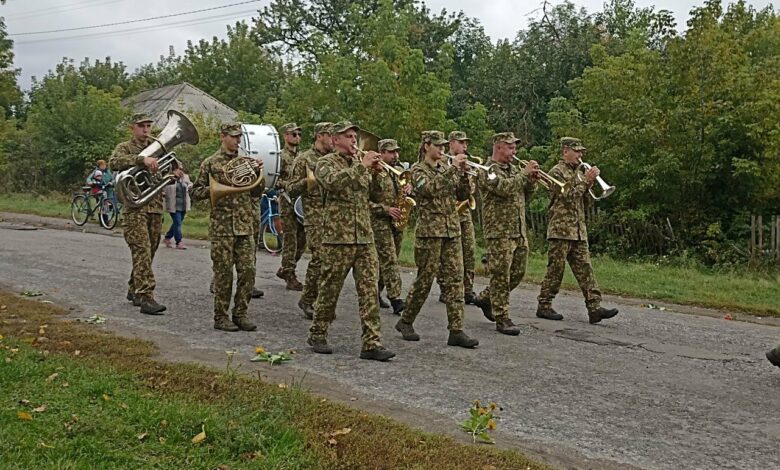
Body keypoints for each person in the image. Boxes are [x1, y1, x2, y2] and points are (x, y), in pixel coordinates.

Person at [307, 121, 395, 361]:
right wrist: (361, 168)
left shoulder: (361, 165)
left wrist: (377, 174)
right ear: (335, 140)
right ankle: (318, 332)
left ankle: (372, 343)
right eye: (348, 136)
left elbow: (375, 197)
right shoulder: (324, 163)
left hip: (364, 237)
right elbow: (333, 184)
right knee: (330, 289)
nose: (354, 140)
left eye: (355, 135)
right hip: (338, 238)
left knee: (369, 291)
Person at [395, 131, 479, 349]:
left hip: (451, 230)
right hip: (430, 233)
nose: (442, 150)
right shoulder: (417, 170)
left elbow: (462, 195)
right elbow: (430, 189)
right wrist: (453, 169)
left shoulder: (445, 168)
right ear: (426, 146)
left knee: (455, 281)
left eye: (444, 146)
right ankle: (405, 321)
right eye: (438, 146)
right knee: (425, 280)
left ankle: (456, 330)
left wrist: (463, 174)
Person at [190, 123, 264, 332]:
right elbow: (195, 192)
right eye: (233, 137)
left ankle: (240, 313)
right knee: (223, 274)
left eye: (239, 137)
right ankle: (220, 316)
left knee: (248, 272)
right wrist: (214, 190)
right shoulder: (210, 163)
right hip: (222, 226)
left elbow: (256, 193)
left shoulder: (246, 161)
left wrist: (258, 175)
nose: (237, 141)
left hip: (244, 226)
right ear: (222, 136)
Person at [535, 137, 619, 324]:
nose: (580, 155)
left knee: (585, 269)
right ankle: (544, 305)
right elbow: (567, 196)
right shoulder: (556, 172)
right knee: (555, 270)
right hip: (560, 230)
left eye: (581, 152)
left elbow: (585, 201)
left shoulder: (579, 173)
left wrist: (590, 184)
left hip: (578, 229)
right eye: (577, 151)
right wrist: (585, 182)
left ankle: (594, 307)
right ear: (566, 152)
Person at [471, 132, 538, 335]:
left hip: (517, 229)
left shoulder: (514, 170)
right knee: (500, 274)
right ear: (498, 147)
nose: (514, 151)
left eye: (514, 147)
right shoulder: (487, 170)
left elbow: (526, 195)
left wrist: (532, 180)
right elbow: (504, 188)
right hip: (499, 231)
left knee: (518, 272)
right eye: (510, 147)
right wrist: (524, 175)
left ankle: (485, 298)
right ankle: (502, 317)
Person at [110, 112, 172, 315]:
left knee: (150, 250)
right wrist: (141, 160)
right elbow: (114, 163)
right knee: (142, 250)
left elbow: (166, 171)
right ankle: (146, 297)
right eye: (141, 126)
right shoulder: (124, 147)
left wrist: (174, 172)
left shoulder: (159, 149)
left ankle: (133, 288)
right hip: (135, 209)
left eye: (148, 126)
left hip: (154, 207)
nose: (146, 130)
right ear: (133, 128)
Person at [287, 122, 334, 319]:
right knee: (319, 258)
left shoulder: (334, 159)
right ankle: (307, 299)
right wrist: (309, 181)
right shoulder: (303, 159)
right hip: (314, 216)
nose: (334, 140)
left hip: (335, 216)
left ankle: (322, 302)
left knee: (331, 262)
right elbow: (290, 188)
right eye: (331, 136)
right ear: (320, 136)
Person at [369, 138, 408, 315]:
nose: (395, 155)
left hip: (397, 221)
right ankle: (396, 298)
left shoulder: (399, 171)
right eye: (391, 152)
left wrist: (409, 189)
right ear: (382, 153)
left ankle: (375, 292)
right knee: (389, 259)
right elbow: (364, 201)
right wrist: (385, 209)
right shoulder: (373, 172)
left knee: (388, 261)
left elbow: (406, 190)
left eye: (396, 151)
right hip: (379, 221)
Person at [439, 131, 478, 305]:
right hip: (445, 214)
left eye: (466, 143)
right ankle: (445, 288)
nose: (465, 146)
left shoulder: (468, 165)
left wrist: (466, 174)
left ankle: (468, 289)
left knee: (469, 252)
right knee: (446, 256)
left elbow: (470, 191)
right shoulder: (440, 164)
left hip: (463, 213)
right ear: (451, 144)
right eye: (461, 143)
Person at [275, 122, 306, 290]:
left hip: (300, 202)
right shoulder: (280, 156)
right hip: (287, 201)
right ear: (285, 136)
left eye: (299, 134)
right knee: (290, 240)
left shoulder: (301, 157)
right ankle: (289, 274)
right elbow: (274, 179)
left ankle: (286, 268)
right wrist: (290, 184)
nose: (297, 137)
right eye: (294, 134)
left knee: (303, 239)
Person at [162, 165, 192, 249]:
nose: (181, 171)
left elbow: (190, 184)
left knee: (177, 223)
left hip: (183, 204)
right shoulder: (169, 177)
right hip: (173, 204)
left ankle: (167, 237)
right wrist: (163, 193)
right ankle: (179, 242)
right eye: (179, 169)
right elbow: (162, 187)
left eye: (182, 169)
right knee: (178, 223)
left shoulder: (185, 177)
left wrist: (190, 186)